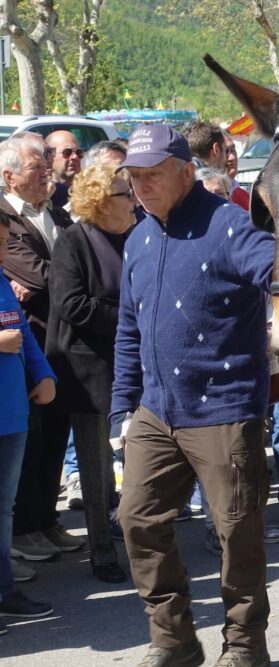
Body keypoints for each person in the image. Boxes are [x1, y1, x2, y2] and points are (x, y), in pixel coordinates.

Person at [111, 125, 274, 667]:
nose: (142, 186)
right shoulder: (137, 238)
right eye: (134, 177)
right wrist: (120, 412)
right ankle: (174, 640)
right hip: (156, 411)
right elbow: (128, 332)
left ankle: (246, 646)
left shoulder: (231, 225)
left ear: (185, 170)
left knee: (236, 529)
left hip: (225, 406)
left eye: (153, 174)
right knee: (136, 518)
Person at [46, 164, 136, 584]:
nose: (134, 199)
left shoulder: (139, 235)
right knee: (97, 468)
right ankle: (103, 552)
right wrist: (130, 318)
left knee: (142, 458)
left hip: (134, 365)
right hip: (89, 371)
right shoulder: (73, 241)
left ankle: (142, 541)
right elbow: (71, 304)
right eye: (124, 194)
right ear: (101, 202)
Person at [0, 134, 80, 564]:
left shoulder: (57, 214)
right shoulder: (6, 223)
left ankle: (47, 519)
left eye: (47, 163)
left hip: (61, 346)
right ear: (9, 177)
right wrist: (74, 279)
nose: (47, 170)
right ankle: (26, 527)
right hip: (29, 348)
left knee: (54, 438)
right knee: (29, 444)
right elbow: (44, 276)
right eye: (37, 166)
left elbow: (70, 268)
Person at [0, 215, 57, 635]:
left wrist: (44, 375)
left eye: (4, 243)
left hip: (13, 411)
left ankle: (5, 593)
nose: (3, 253)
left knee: (4, 509)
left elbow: (23, 333)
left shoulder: (2, 281)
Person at [44, 130, 84, 210]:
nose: (75, 157)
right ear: (50, 156)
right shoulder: (42, 196)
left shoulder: (90, 192)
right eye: (67, 153)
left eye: (78, 152)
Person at [223, 138, 250, 210]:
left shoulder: (246, 197)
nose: (232, 157)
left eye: (233, 150)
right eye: (226, 151)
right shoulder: (207, 197)